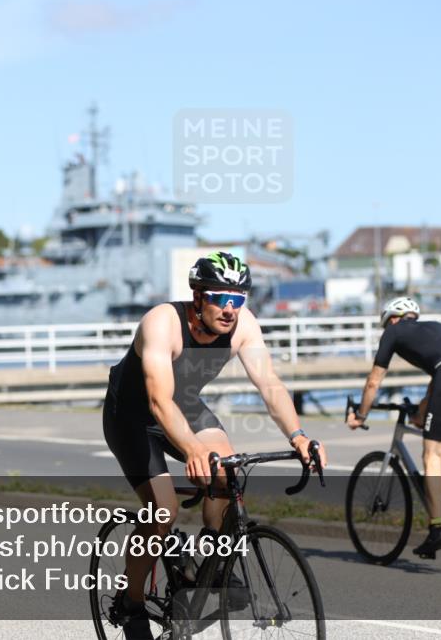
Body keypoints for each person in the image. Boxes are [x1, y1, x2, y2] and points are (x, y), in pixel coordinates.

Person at [103, 251, 327, 639]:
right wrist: (192, 449)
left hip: (185, 404)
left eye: (238, 299)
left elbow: (270, 385)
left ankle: (212, 559)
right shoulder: (162, 323)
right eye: (220, 298)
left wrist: (299, 436)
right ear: (198, 297)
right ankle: (131, 601)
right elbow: (158, 401)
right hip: (133, 415)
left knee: (227, 472)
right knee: (163, 511)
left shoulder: (244, 326)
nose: (229, 309)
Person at [346, 296, 441, 559]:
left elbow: (373, 382)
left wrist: (361, 415)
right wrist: (421, 413)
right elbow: (439, 377)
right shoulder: (435, 327)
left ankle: (437, 530)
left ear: (392, 319)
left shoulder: (393, 332)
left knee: (431, 455)